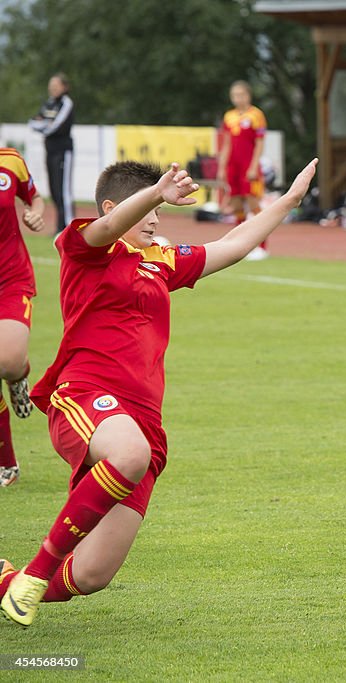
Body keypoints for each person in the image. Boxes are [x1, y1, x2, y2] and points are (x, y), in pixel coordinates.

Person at [0, 157, 317, 628]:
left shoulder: (160, 262)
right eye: (148, 209)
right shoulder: (84, 248)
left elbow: (231, 245)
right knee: (130, 453)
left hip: (144, 422)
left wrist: (287, 201)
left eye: (159, 212)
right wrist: (155, 193)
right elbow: (108, 225)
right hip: (85, 395)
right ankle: (37, 572)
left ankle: (9, 583)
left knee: (91, 575)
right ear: (116, 205)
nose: (155, 219)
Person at [0, 149, 46, 488]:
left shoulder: (10, 160)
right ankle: (7, 465)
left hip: (10, 278)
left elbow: (35, 197)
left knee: (9, 361)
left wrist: (35, 212)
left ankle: (19, 376)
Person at [217, 80, 269, 260]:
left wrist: (254, 166)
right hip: (233, 166)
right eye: (235, 95)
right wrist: (222, 167)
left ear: (248, 95)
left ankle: (262, 246)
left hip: (249, 164)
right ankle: (239, 246)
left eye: (241, 94)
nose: (238, 98)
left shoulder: (256, 115)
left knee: (253, 203)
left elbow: (260, 143)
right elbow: (227, 144)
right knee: (236, 205)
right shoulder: (229, 116)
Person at [28, 73, 75, 235]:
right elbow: (33, 121)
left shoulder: (66, 103)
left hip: (63, 151)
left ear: (64, 87)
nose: (52, 89)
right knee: (54, 189)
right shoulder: (49, 103)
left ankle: (70, 228)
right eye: (51, 86)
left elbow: (55, 125)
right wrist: (43, 125)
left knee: (64, 190)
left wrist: (44, 126)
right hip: (50, 150)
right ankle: (59, 228)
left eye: (56, 86)